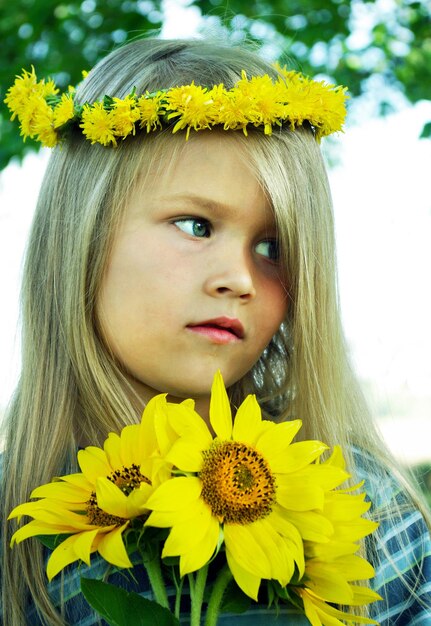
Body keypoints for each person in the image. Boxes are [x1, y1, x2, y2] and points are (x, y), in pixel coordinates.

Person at [1, 37, 430, 626]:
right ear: (81, 235)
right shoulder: (16, 531)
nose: (240, 279)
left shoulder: (373, 520)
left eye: (273, 247)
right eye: (196, 224)